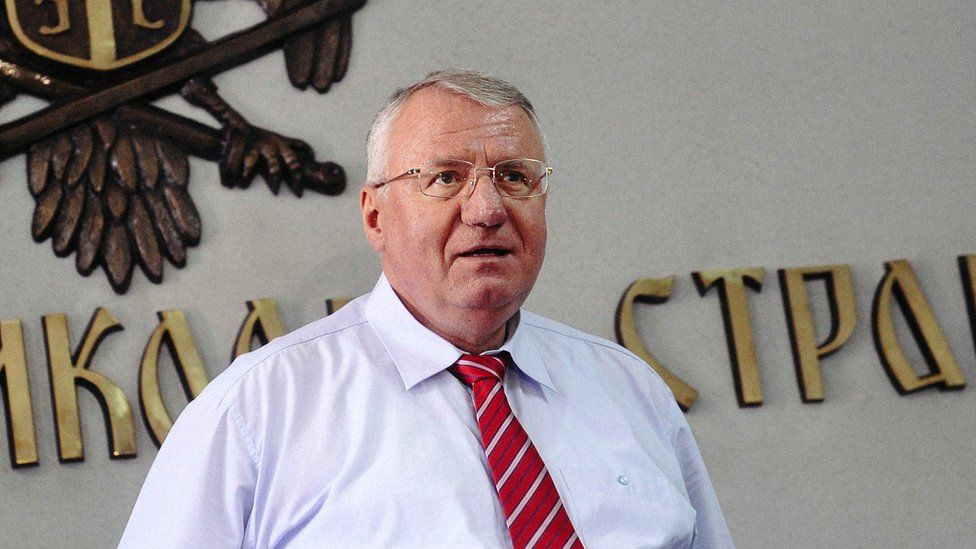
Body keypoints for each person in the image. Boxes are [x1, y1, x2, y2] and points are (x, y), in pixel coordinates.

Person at [120, 69, 734, 548]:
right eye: (445, 178)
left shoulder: (629, 391)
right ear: (375, 215)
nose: (488, 208)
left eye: (515, 176)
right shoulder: (257, 414)